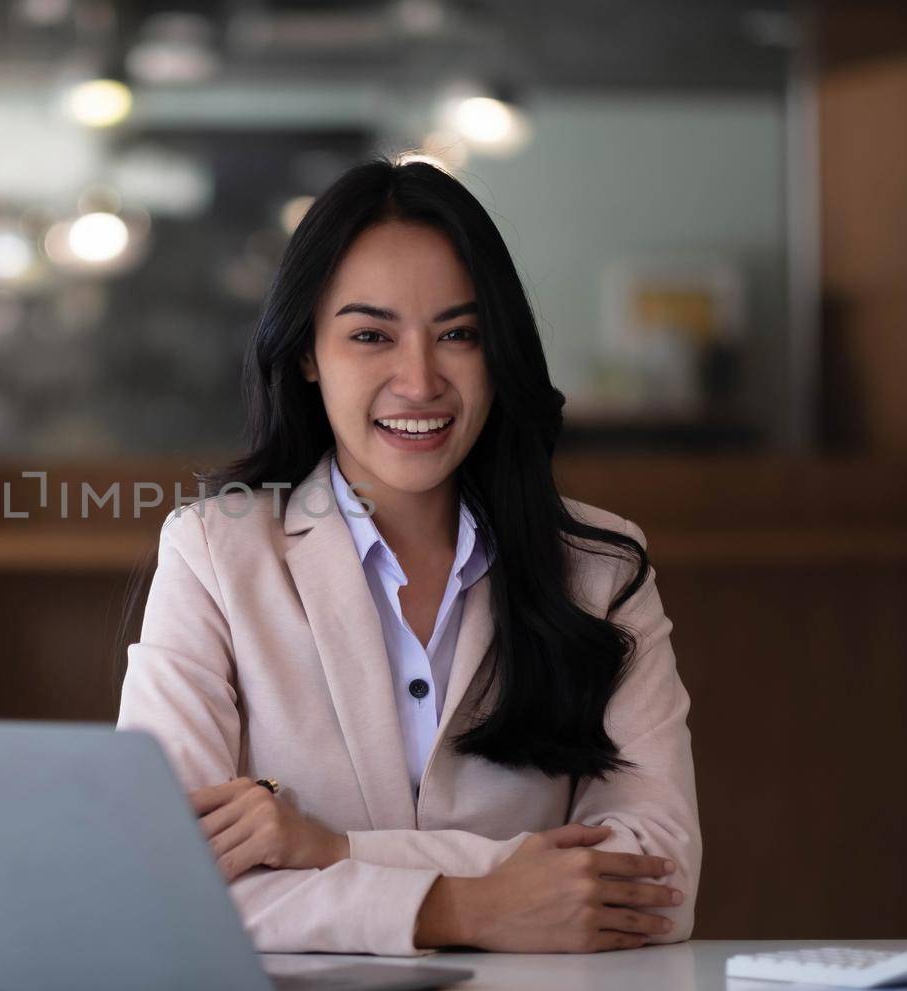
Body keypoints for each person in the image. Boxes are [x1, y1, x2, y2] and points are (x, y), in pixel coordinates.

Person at [115, 157, 700, 957]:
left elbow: (656, 885)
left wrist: (332, 851)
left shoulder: (600, 570)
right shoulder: (215, 555)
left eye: (458, 334)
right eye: (370, 335)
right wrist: (463, 908)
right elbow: (161, 886)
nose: (420, 379)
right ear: (309, 353)